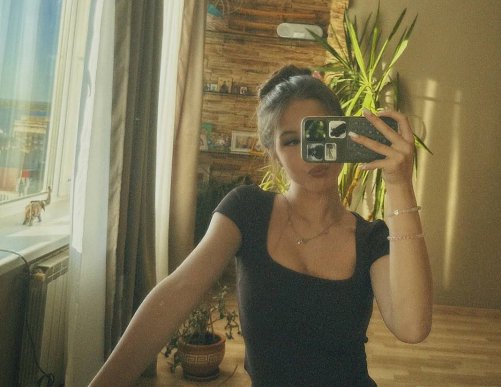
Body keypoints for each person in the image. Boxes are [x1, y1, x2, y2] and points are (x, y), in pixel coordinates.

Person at [89, 65, 432, 387]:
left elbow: (412, 327)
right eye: (291, 141)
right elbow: (176, 293)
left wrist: (400, 183)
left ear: (344, 135)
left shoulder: (370, 239)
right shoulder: (247, 211)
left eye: (318, 133)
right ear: (273, 151)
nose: (310, 153)